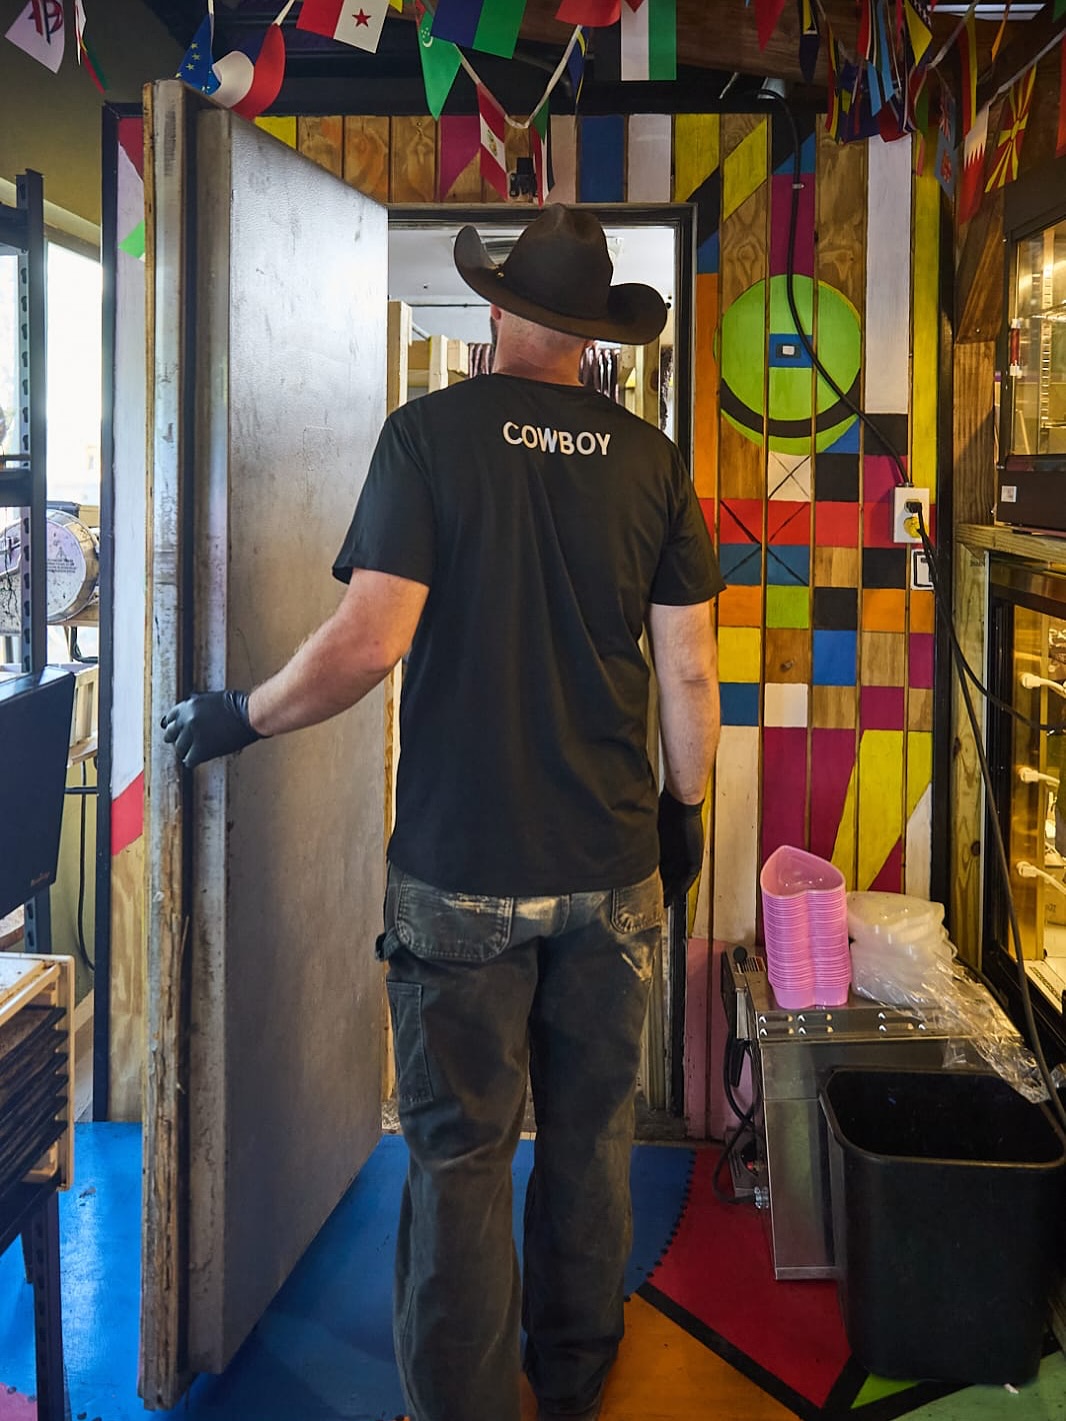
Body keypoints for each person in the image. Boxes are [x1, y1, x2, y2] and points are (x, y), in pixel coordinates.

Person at [162, 203, 723, 1421]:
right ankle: (571, 1379)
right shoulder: (651, 460)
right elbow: (686, 672)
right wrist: (683, 811)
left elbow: (369, 644)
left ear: (500, 314)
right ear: (588, 338)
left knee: (462, 1158)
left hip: (459, 877)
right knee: (587, 1143)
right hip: (614, 867)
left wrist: (236, 714)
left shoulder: (426, 436)